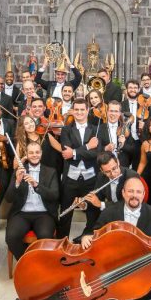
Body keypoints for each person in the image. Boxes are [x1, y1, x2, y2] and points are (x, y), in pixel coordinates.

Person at [4, 141, 59, 260]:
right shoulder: (18, 171)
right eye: (31, 153)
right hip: (21, 214)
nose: (34, 155)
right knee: (11, 237)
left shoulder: (51, 172)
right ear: (27, 155)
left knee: (45, 236)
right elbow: (8, 198)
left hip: (44, 214)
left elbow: (54, 195)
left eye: (37, 152)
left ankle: (39, 263)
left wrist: (36, 185)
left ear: (41, 153)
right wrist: (17, 182)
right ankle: (27, 262)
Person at [58, 98, 102, 239]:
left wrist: (75, 152)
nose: (79, 112)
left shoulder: (96, 129)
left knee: (92, 212)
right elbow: (67, 154)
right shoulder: (66, 129)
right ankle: (62, 243)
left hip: (90, 178)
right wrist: (88, 147)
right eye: (76, 109)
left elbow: (97, 154)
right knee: (66, 212)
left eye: (82, 109)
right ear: (73, 111)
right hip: (71, 178)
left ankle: (88, 239)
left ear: (87, 110)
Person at [79, 151, 139, 235]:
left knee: (99, 206)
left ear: (118, 162)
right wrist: (84, 204)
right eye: (107, 172)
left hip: (127, 213)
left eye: (114, 168)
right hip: (111, 210)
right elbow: (97, 197)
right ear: (102, 170)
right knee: (92, 209)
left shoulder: (131, 176)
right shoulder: (101, 176)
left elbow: (128, 205)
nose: (113, 174)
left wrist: (101, 204)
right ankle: (90, 233)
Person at [121, 79, 144, 169]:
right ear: (126, 90)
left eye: (135, 88)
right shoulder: (121, 105)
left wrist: (144, 125)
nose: (133, 90)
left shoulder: (144, 106)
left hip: (139, 141)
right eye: (130, 87)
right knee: (123, 169)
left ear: (138, 89)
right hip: (125, 141)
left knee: (138, 170)